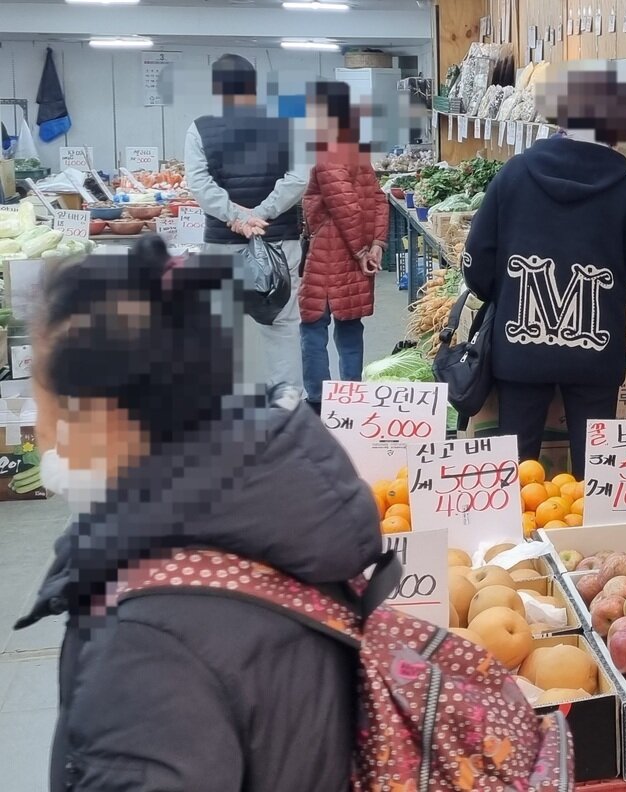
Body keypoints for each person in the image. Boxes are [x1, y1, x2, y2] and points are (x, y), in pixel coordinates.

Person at [14, 236, 382, 791]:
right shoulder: (273, 516)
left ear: (98, 415)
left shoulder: (146, 651)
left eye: (41, 402)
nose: (41, 432)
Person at [463, 63, 626, 473]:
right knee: (595, 468)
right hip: (595, 352)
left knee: (515, 468)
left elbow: (478, 259)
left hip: (519, 347)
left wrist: (500, 293)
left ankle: (520, 516)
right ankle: (588, 515)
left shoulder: (514, 175)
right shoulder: (625, 190)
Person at [185, 53, 307, 395]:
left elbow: (199, 184)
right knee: (281, 325)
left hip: (221, 245)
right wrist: (262, 214)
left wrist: (238, 218)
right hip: (278, 241)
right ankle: (287, 405)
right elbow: (298, 179)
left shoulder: (200, 128)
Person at [300, 81, 387, 410]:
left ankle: (320, 400)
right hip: (354, 252)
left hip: (331, 254)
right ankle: (351, 396)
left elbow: (346, 207)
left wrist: (365, 250)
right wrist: (376, 243)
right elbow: (378, 199)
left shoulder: (330, 152)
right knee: (350, 326)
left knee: (314, 326)